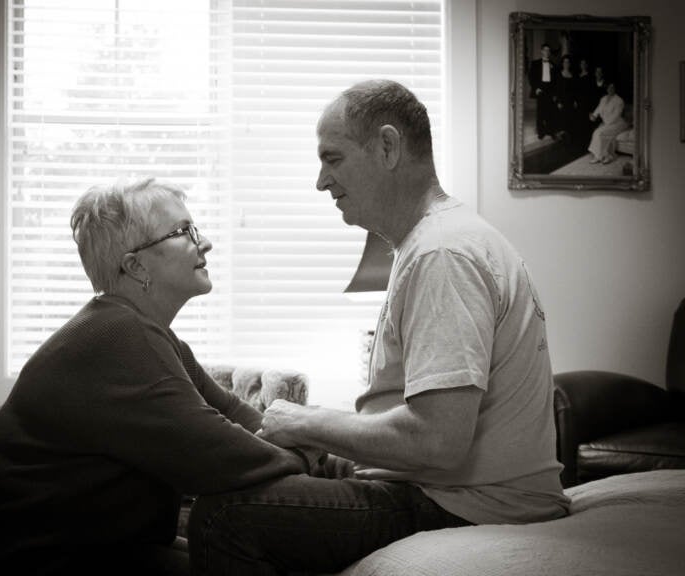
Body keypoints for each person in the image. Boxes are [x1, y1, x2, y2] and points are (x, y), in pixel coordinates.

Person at [187, 80, 570, 576]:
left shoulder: (443, 253)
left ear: (387, 147)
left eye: (333, 158)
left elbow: (439, 441)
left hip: (469, 504)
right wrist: (328, 438)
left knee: (223, 517)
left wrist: (307, 422)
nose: (321, 181)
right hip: (452, 489)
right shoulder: (437, 240)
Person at [0, 178, 314, 576]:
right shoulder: (117, 336)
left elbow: (242, 417)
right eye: (183, 232)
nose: (204, 242)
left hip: (102, 549)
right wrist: (310, 455)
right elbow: (226, 458)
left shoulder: (151, 335)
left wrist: (323, 445)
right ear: (135, 265)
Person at [587, 81, 628, 164]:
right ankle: (601, 155)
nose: (610, 89)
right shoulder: (603, 99)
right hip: (607, 124)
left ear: (615, 89)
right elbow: (598, 109)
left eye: (612, 87)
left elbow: (616, 115)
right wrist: (593, 116)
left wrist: (605, 124)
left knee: (599, 132)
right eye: (609, 87)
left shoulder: (619, 100)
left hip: (618, 123)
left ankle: (600, 156)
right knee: (598, 132)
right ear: (606, 88)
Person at [528, 43, 557, 139]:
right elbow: (531, 77)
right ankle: (541, 132)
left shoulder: (553, 64)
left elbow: (556, 80)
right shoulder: (535, 63)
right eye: (545, 50)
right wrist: (536, 88)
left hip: (550, 89)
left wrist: (554, 93)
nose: (547, 52)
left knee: (550, 111)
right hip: (540, 89)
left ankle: (550, 131)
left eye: (548, 50)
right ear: (541, 51)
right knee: (540, 111)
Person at [553, 54, 577, 142]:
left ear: (569, 64)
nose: (566, 63)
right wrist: (558, 101)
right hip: (562, 100)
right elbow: (557, 89)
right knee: (561, 118)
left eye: (568, 62)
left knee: (569, 117)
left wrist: (575, 101)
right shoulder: (559, 74)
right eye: (565, 62)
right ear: (562, 63)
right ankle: (560, 135)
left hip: (570, 100)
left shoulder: (572, 75)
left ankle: (567, 136)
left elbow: (574, 89)